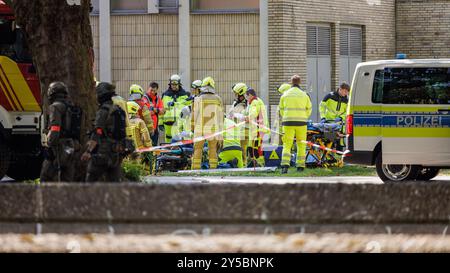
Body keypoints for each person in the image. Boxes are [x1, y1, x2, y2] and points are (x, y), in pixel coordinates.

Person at [82, 82, 129, 182]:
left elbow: (97, 132)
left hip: (103, 151)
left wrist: (88, 151)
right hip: (116, 152)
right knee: (114, 182)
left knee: (91, 179)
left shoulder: (103, 111)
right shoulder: (119, 110)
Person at [40, 82, 79, 182]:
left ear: (51, 93)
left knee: (46, 176)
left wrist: (49, 145)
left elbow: (55, 128)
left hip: (58, 146)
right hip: (71, 145)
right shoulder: (71, 107)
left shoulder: (55, 107)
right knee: (67, 178)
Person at [279, 75, 312, 174]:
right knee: (301, 144)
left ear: (291, 82)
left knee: (287, 144)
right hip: (301, 123)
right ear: (300, 82)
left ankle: (285, 166)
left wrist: (286, 117)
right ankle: (300, 167)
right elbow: (309, 109)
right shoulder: (304, 95)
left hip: (288, 122)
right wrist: (303, 117)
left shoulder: (285, 95)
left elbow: (281, 109)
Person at [191, 76, 224, 170]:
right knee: (213, 149)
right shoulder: (218, 99)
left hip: (199, 129)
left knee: (198, 149)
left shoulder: (198, 98)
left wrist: (192, 128)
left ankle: (195, 169)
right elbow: (221, 117)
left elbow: (194, 115)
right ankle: (213, 169)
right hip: (213, 129)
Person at [319, 82, 350, 150]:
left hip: (339, 123)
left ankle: (338, 158)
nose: (346, 93)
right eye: (345, 91)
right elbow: (322, 106)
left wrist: (341, 117)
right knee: (328, 141)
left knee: (339, 142)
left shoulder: (346, 99)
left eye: (347, 92)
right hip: (328, 122)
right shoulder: (330, 96)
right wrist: (323, 117)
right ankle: (328, 158)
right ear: (340, 89)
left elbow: (347, 111)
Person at [161, 74, 191, 143]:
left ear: (179, 84)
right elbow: (162, 109)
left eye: (175, 84)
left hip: (179, 121)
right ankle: (168, 151)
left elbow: (188, 110)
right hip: (167, 121)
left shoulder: (185, 95)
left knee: (178, 138)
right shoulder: (165, 95)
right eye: (172, 84)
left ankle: (177, 152)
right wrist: (160, 123)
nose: (173, 86)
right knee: (168, 138)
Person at [245, 88, 269, 168]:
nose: (246, 98)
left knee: (256, 149)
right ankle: (255, 163)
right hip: (260, 129)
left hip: (258, 130)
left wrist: (248, 118)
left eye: (247, 96)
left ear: (250, 95)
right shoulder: (259, 100)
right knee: (252, 148)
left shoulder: (254, 102)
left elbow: (253, 113)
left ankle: (260, 165)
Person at [230, 83, 249, 163]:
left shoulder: (249, 104)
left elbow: (246, 115)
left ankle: (244, 163)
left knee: (243, 147)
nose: (235, 95)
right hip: (236, 128)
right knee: (238, 147)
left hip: (245, 128)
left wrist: (235, 114)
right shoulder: (236, 103)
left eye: (236, 94)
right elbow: (231, 113)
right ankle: (240, 163)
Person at [144, 82, 164, 146]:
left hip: (155, 128)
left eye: (154, 91)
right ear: (148, 88)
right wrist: (156, 110)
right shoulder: (144, 98)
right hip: (146, 128)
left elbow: (162, 111)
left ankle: (154, 156)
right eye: (151, 90)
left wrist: (154, 109)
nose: (152, 92)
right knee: (147, 146)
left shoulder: (158, 99)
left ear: (157, 90)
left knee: (154, 146)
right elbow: (146, 112)